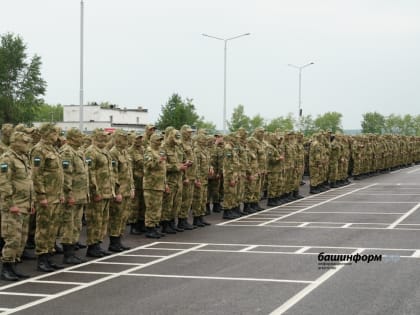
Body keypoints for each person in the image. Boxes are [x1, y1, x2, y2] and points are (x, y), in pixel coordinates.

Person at [31, 123, 65, 272]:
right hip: (46, 196)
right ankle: (42, 258)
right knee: (43, 228)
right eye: (53, 133)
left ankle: (49, 255)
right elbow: (36, 175)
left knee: (53, 228)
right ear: (46, 133)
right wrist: (41, 195)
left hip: (55, 195)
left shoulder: (53, 149)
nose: (56, 135)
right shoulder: (38, 150)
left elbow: (58, 174)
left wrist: (61, 194)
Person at [0, 131, 34, 281]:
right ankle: (6, 268)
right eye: (25, 142)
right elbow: (4, 182)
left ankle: (14, 266)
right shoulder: (7, 158)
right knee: (12, 238)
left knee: (21, 239)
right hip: (14, 205)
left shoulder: (23, 158)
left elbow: (28, 182)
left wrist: (31, 203)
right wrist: (10, 203)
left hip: (25, 204)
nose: (27, 145)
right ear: (16, 142)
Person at [59, 128, 89, 264]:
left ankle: (72, 250)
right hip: (72, 195)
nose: (82, 138)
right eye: (79, 136)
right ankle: (68, 254)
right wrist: (69, 194)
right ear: (72, 138)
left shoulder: (79, 151)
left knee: (76, 224)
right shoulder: (66, 152)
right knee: (68, 225)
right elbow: (66, 176)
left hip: (80, 194)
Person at [85, 129, 115, 257]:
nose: (104, 139)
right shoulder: (91, 152)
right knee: (94, 220)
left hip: (106, 191)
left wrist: (112, 190)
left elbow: (110, 172)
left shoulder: (105, 151)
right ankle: (92, 246)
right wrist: (95, 191)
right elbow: (90, 173)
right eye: (101, 137)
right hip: (97, 193)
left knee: (103, 220)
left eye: (105, 138)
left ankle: (98, 243)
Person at [143, 133, 168, 238]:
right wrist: (158, 160)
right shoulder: (148, 151)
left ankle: (155, 226)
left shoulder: (160, 151)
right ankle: (149, 228)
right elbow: (148, 166)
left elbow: (163, 169)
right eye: (158, 140)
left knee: (157, 208)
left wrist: (165, 183)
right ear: (153, 141)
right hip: (151, 185)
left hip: (159, 184)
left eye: (161, 140)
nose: (160, 142)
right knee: (151, 207)